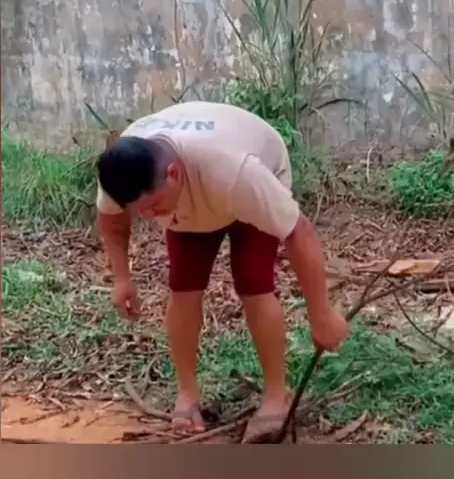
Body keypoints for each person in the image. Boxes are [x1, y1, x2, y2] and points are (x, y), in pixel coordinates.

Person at [96, 100, 349, 443]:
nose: (149, 217)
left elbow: (298, 232)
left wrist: (321, 313)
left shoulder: (236, 172)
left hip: (251, 173)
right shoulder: (120, 170)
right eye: (140, 211)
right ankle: (187, 392)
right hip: (196, 196)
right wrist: (122, 278)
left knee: (254, 282)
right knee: (183, 286)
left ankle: (276, 395)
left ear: (173, 173)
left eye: (153, 206)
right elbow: (112, 220)